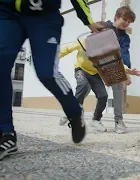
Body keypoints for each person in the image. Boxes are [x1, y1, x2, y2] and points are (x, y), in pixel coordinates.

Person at [0, 0, 103, 160]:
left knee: (47, 73)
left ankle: (74, 111)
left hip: (44, 15)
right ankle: (6, 133)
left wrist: (88, 20)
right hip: (7, 12)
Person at [58, 38, 140, 133]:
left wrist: (127, 70)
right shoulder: (84, 42)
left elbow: (116, 63)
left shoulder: (107, 52)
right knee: (83, 85)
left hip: (95, 73)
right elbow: (66, 49)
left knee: (103, 95)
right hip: (81, 69)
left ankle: (96, 119)